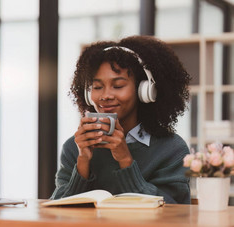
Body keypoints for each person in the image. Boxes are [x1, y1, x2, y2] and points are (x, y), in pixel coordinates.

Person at [51, 35, 191, 204]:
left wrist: (125, 160)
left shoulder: (172, 149)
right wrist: (83, 163)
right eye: (97, 87)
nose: (106, 96)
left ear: (144, 90)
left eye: (118, 85)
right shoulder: (74, 148)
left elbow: (173, 212)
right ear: (88, 94)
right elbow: (57, 212)